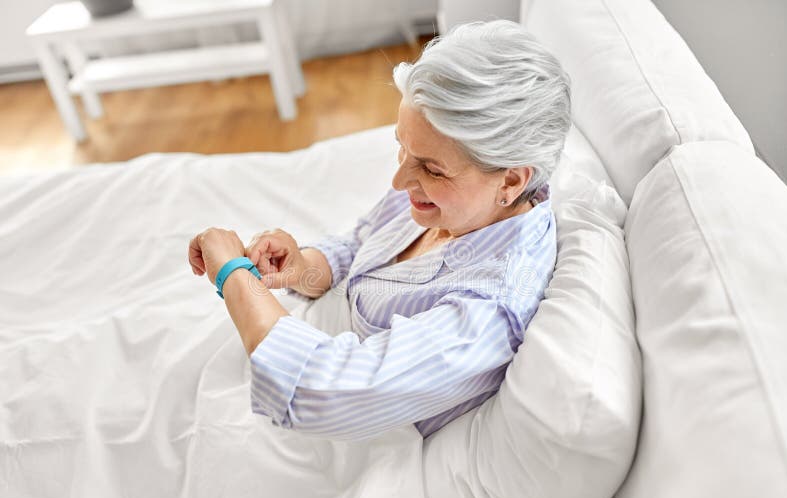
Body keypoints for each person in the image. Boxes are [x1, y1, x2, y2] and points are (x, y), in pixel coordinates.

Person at [187, 20, 571, 440]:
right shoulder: (451, 204)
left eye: (430, 167)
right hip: (291, 337)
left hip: (337, 446)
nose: (399, 180)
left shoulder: (489, 309)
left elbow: (322, 392)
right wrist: (301, 268)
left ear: (513, 181)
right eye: (402, 147)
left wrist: (234, 277)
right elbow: (357, 247)